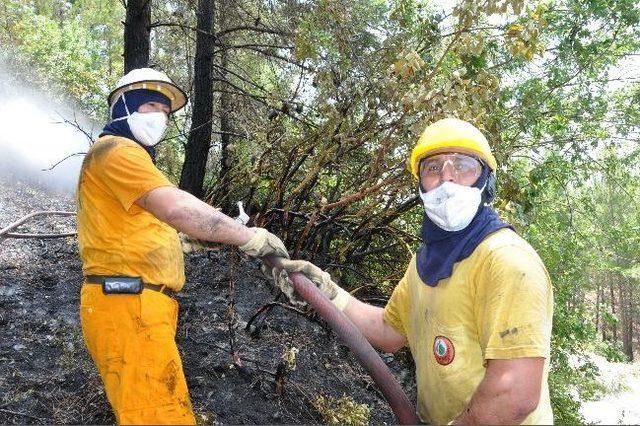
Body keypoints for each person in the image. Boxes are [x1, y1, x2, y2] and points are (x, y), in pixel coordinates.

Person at [275, 118, 554, 424]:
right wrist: (325, 290)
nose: (446, 179)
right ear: (420, 184)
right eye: (433, 168)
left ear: (485, 181)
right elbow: (388, 331)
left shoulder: (507, 261)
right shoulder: (426, 262)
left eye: (462, 165)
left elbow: (513, 395)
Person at [76, 68, 290, 424]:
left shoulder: (126, 161)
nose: (159, 116)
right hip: (129, 306)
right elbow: (176, 208)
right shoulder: (116, 150)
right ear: (122, 108)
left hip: (137, 306)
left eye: (165, 110)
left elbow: (143, 229)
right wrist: (251, 237)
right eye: (150, 106)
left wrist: (191, 240)